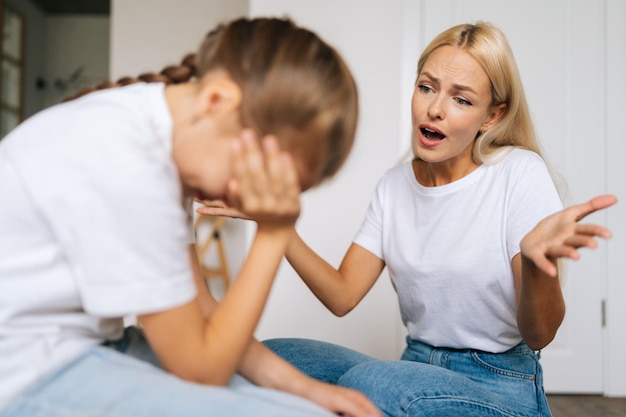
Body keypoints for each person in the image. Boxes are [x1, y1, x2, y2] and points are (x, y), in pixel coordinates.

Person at [198, 21, 618, 417]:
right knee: (273, 357)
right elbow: (342, 295)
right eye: (426, 88)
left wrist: (533, 261)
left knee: (373, 381)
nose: (435, 109)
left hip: (501, 383)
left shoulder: (518, 173)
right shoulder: (394, 185)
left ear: (491, 116)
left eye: (461, 99)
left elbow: (540, 334)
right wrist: (277, 226)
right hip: (414, 367)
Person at [0, 17, 383, 417]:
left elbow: (204, 309)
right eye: (254, 174)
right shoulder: (128, 161)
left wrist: (309, 390)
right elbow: (202, 370)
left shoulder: (161, 147)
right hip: (25, 367)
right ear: (216, 102)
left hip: (86, 344)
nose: (249, 196)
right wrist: (274, 232)